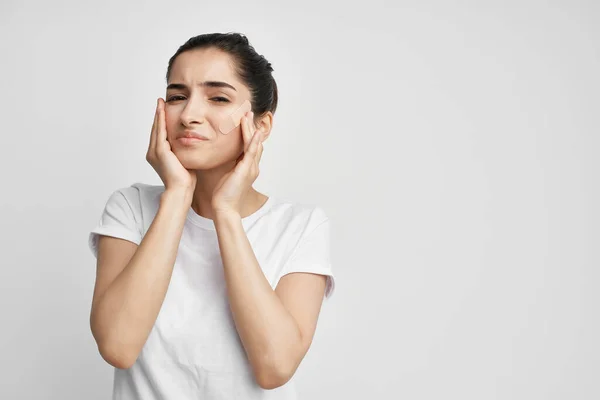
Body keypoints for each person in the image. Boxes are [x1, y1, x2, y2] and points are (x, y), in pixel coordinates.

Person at [87, 32, 335, 399]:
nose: (188, 115)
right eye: (176, 96)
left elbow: (274, 367)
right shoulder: (130, 208)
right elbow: (118, 346)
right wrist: (177, 194)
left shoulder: (301, 226)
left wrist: (225, 213)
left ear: (261, 126)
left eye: (218, 98)